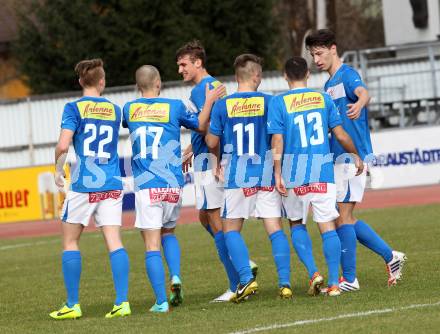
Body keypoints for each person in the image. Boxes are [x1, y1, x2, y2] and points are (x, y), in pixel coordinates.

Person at [305, 29, 406, 290]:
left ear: (333, 49)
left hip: (354, 157)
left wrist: (361, 103)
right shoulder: (328, 86)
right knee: (342, 217)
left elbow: (363, 92)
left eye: (319, 53)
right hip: (338, 157)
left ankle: (350, 279)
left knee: (343, 216)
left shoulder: (347, 75)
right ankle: (390, 256)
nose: (316, 60)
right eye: (312, 55)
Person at [122, 65, 224, 313]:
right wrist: (209, 101)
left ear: (138, 86)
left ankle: (160, 301)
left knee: (151, 244)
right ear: (158, 83)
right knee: (169, 233)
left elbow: (128, 122)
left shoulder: (129, 108)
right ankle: (175, 276)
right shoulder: (175, 106)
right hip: (173, 185)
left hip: (148, 184)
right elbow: (201, 125)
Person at [268, 56, 364, 296]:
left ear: (285, 76)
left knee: (296, 223)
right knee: (327, 225)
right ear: (308, 75)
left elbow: (277, 139)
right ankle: (333, 284)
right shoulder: (323, 99)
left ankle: (313, 272)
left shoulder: (279, 102)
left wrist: (277, 172)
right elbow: (340, 134)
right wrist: (356, 154)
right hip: (322, 170)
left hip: (293, 171)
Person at [176, 40, 257, 302]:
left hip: (211, 163)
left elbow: (212, 128)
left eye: (183, 64)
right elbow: (210, 127)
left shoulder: (205, 89)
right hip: (204, 158)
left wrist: (215, 160)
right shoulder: (208, 88)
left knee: (216, 220)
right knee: (204, 217)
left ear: (198, 62)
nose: (180, 70)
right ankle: (242, 260)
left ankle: (237, 284)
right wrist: (192, 147)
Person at [206, 54, 292, 302]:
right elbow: (277, 137)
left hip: (238, 176)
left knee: (231, 229)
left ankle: (246, 279)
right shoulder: (270, 102)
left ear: (236, 77)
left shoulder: (223, 105)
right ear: (257, 76)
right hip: (265, 173)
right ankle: (284, 283)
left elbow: (211, 141)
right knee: (275, 229)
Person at [50, 59, 130, 319]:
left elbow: (63, 145)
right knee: (114, 241)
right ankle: (122, 302)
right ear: (102, 82)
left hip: (84, 184)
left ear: (80, 81)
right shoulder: (116, 110)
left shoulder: (73, 108)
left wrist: (58, 169)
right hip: (111, 181)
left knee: (71, 241)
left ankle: (72, 305)